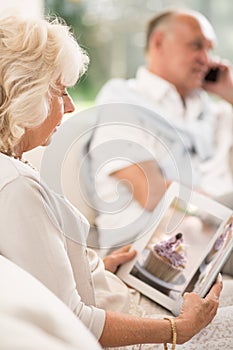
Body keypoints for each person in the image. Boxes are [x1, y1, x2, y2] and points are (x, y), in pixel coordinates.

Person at [0, 14, 233, 350]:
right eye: (61, 91)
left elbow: (45, 270)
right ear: (26, 95)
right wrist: (177, 330)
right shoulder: (16, 187)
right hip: (131, 321)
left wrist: (96, 266)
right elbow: (76, 321)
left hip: (125, 289)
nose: (69, 107)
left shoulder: (13, 170)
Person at [89, 7, 233, 250]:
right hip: (163, 245)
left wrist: (230, 92)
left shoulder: (210, 112)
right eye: (197, 46)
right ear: (158, 42)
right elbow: (152, 193)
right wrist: (224, 217)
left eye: (210, 49)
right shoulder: (123, 104)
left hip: (217, 233)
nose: (207, 60)